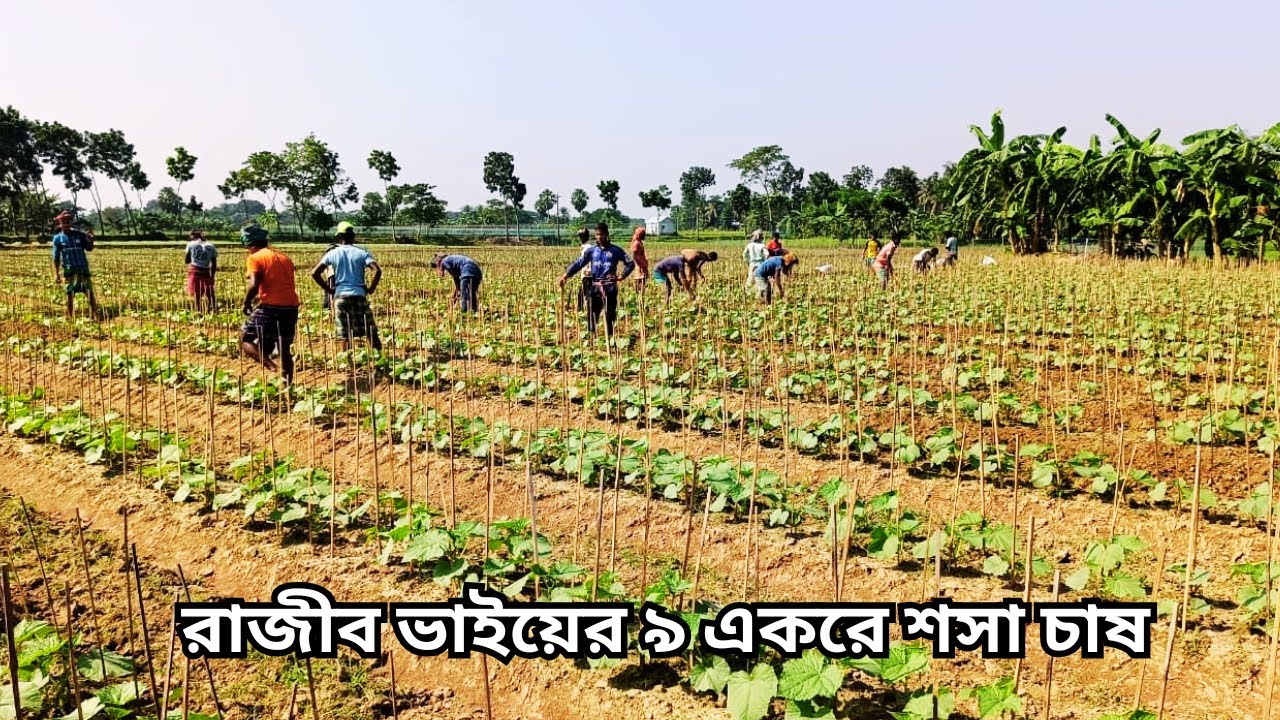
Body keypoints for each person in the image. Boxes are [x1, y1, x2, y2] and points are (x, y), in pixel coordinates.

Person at [240, 225, 300, 383]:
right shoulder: (283, 257)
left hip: (271, 307)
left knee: (245, 339)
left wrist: (246, 302)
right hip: (291, 307)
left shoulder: (255, 257)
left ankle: (270, 365)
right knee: (284, 348)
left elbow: (253, 284)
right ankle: (287, 385)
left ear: (249, 244)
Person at [311, 221, 383, 351]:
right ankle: (379, 360)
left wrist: (329, 290)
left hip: (341, 297)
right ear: (353, 236)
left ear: (339, 237)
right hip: (359, 295)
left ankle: (348, 364)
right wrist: (371, 289)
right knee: (370, 330)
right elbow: (377, 270)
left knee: (344, 334)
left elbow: (315, 273)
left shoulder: (332, 253)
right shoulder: (362, 253)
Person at [558, 223, 635, 337]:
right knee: (592, 313)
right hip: (595, 286)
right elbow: (579, 263)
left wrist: (621, 276)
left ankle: (609, 337)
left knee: (610, 314)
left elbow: (630, 263)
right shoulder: (592, 251)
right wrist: (566, 275)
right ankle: (591, 338)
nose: (599, 237)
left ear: (607, 234)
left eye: (602, 234)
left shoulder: (616, 250)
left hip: (610, 287)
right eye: (597, 234)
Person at [51, 211, 101, 320]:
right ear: (60, 223)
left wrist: (91, 240)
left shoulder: (80, 235)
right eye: (63, 222)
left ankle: (96, 315)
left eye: (68, 221)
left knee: (89, 293)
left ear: (71, 222)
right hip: (69, 270)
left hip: (82, 269)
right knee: (69, 294)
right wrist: (56, 274)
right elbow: (56, 257)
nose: (66, 224)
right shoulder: (58, 239)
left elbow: (89, 248)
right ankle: (70, 317)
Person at [184, 229, 218, 312]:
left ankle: (198, 310)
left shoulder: (191, 244)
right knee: (210, 292)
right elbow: (214, 264)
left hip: (195, 270)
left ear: (193, 236)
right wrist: (212, 277)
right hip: (206, 271)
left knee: (197, 293)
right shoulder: (211, 246)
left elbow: (187, 260)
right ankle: (213, 309)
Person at [630, 226, 649, 292]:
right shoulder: (636, 243)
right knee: (639, 280)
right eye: (643, 234)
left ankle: (641, 293)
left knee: (644, 280)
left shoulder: (640, 242)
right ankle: (639, 294)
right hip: (640, 265)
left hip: (643, 265)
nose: (644, 236)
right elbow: (634, 255)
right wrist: (638, 264)